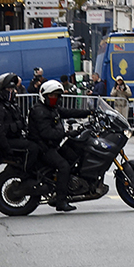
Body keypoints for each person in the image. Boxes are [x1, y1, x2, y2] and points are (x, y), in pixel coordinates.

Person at [27, 80, 86, 212]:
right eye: (52, 96)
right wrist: (66, 133)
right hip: (43, 147)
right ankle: (61, 201)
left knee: (72, 155)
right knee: (63, 166)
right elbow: (47, 133)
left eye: (57, 96)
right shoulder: (40, 111)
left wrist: (89, 112)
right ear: (44, 95)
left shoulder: (51, 108)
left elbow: (68, 112)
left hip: (50, 145)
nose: (54, 98)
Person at [0, 72, 38, 172]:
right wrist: (7, 150)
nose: (12, 92)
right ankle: (28, 173)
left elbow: (21, 121)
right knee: (33, 147)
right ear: (1, 91)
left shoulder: (10, 105)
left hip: (14, 137)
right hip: (4, 143)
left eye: (12, 89)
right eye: (8, 89)